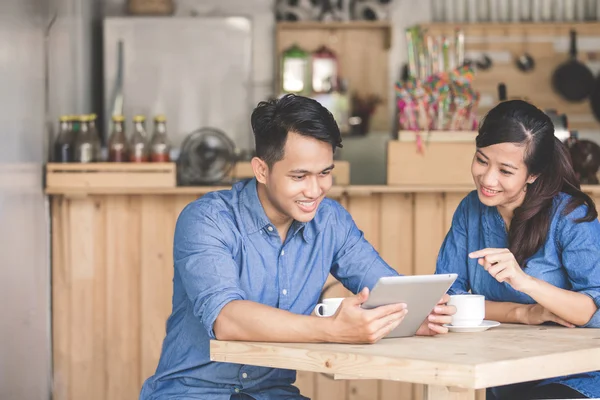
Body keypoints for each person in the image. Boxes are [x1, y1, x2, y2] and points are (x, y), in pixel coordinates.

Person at [140, 94, 455, 400]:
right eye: (300, 176)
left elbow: (390, 292)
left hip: (272, 394)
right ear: (262, 170)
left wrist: (413, 315)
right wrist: (331, 329)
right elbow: (227, 319)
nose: (315, 190)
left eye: (325, 173)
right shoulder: (207, 220)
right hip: (192, 391)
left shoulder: (330, 222)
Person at [435, 100, 600, 400]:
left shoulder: (570, 216)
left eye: (506, 170)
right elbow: (448, 302)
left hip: (576, 378)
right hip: (503, 375)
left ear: (533, 174)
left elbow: (595, 309)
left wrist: (525, 282)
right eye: (482, 160)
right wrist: (525, 313)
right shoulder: (470, 210)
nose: (487, 179)